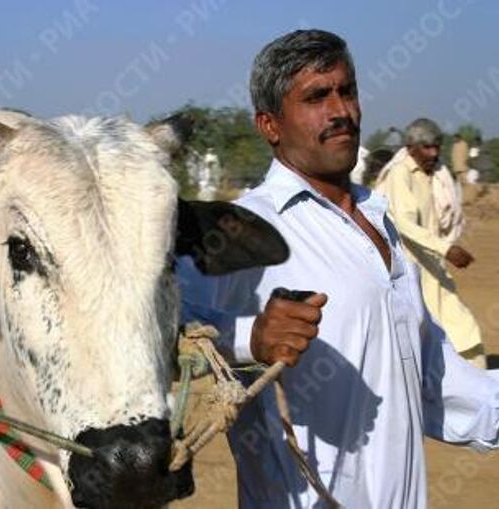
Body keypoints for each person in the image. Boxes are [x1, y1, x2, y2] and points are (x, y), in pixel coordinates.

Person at [178, 29, 499, 508]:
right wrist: (249, 338)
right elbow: (155, 324)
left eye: (346, 91)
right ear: (269, 125)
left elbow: (435, 378)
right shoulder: (246, 226)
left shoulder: (377, 219)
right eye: (315, 97)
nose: (340, 111)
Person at [375, 119, 486, 368]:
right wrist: (447, 249)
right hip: (412, 270)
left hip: (433, 266)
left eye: (437, 147)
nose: (434, 153)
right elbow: (403, 224)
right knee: (429, 333)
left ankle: (479, 385)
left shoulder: (438, 174)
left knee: (460, 326)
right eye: (427, 147)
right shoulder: (400, 174)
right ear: (411, 146)